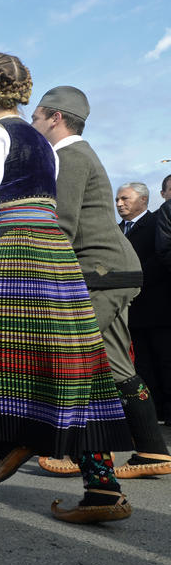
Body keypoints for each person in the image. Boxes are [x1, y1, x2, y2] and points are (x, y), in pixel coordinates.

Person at [0, 53, 134, 523]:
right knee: (71, 359)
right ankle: (103, 489)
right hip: (54, 254)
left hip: (12, 250)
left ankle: (13, 439)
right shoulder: (43, 143)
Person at [30, 90, 170, 479]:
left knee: (76, 358)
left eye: (36, 117)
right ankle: (151, 451)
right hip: (110, 272)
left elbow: (61, 226)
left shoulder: (69, 157)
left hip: (102, 274)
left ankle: (80, 453)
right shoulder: (77, 154)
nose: (33, 124)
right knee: (115, 363)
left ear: (55, 117)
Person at [122, 182, 171, 429]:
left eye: (125, 199)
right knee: (141, 364)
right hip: (132, 309)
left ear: (143, 199)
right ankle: (152, 411)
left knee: (165, 360)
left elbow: (160, 258)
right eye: (118, 199)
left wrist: (135, 280)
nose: (119, 203)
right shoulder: (117, 229)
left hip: (158, 306)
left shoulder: (156, 224)